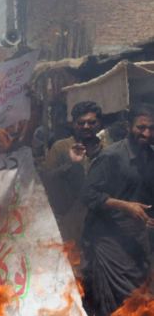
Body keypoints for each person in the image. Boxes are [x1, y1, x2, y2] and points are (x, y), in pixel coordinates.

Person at [82, 104, 154, 316]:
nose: (146, 133)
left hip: (137, 241)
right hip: (107, 240)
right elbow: (89, 195)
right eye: (141, 127)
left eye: (151, 129)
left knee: (143, 303)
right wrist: (125, 206)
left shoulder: (150, 157)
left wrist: (147, 218)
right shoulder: (110, 157)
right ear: (129, 127)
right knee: (114, 304)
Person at [42, 101, 104, 253]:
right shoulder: (60, 147)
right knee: (75, 266)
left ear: (99, 123)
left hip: (103, 220)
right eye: (81, 123)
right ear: (73, 124)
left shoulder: (108, 148)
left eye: (91, 122)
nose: (86, 126)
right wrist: (70, 164)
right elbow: (46, 179)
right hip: (71, 219)